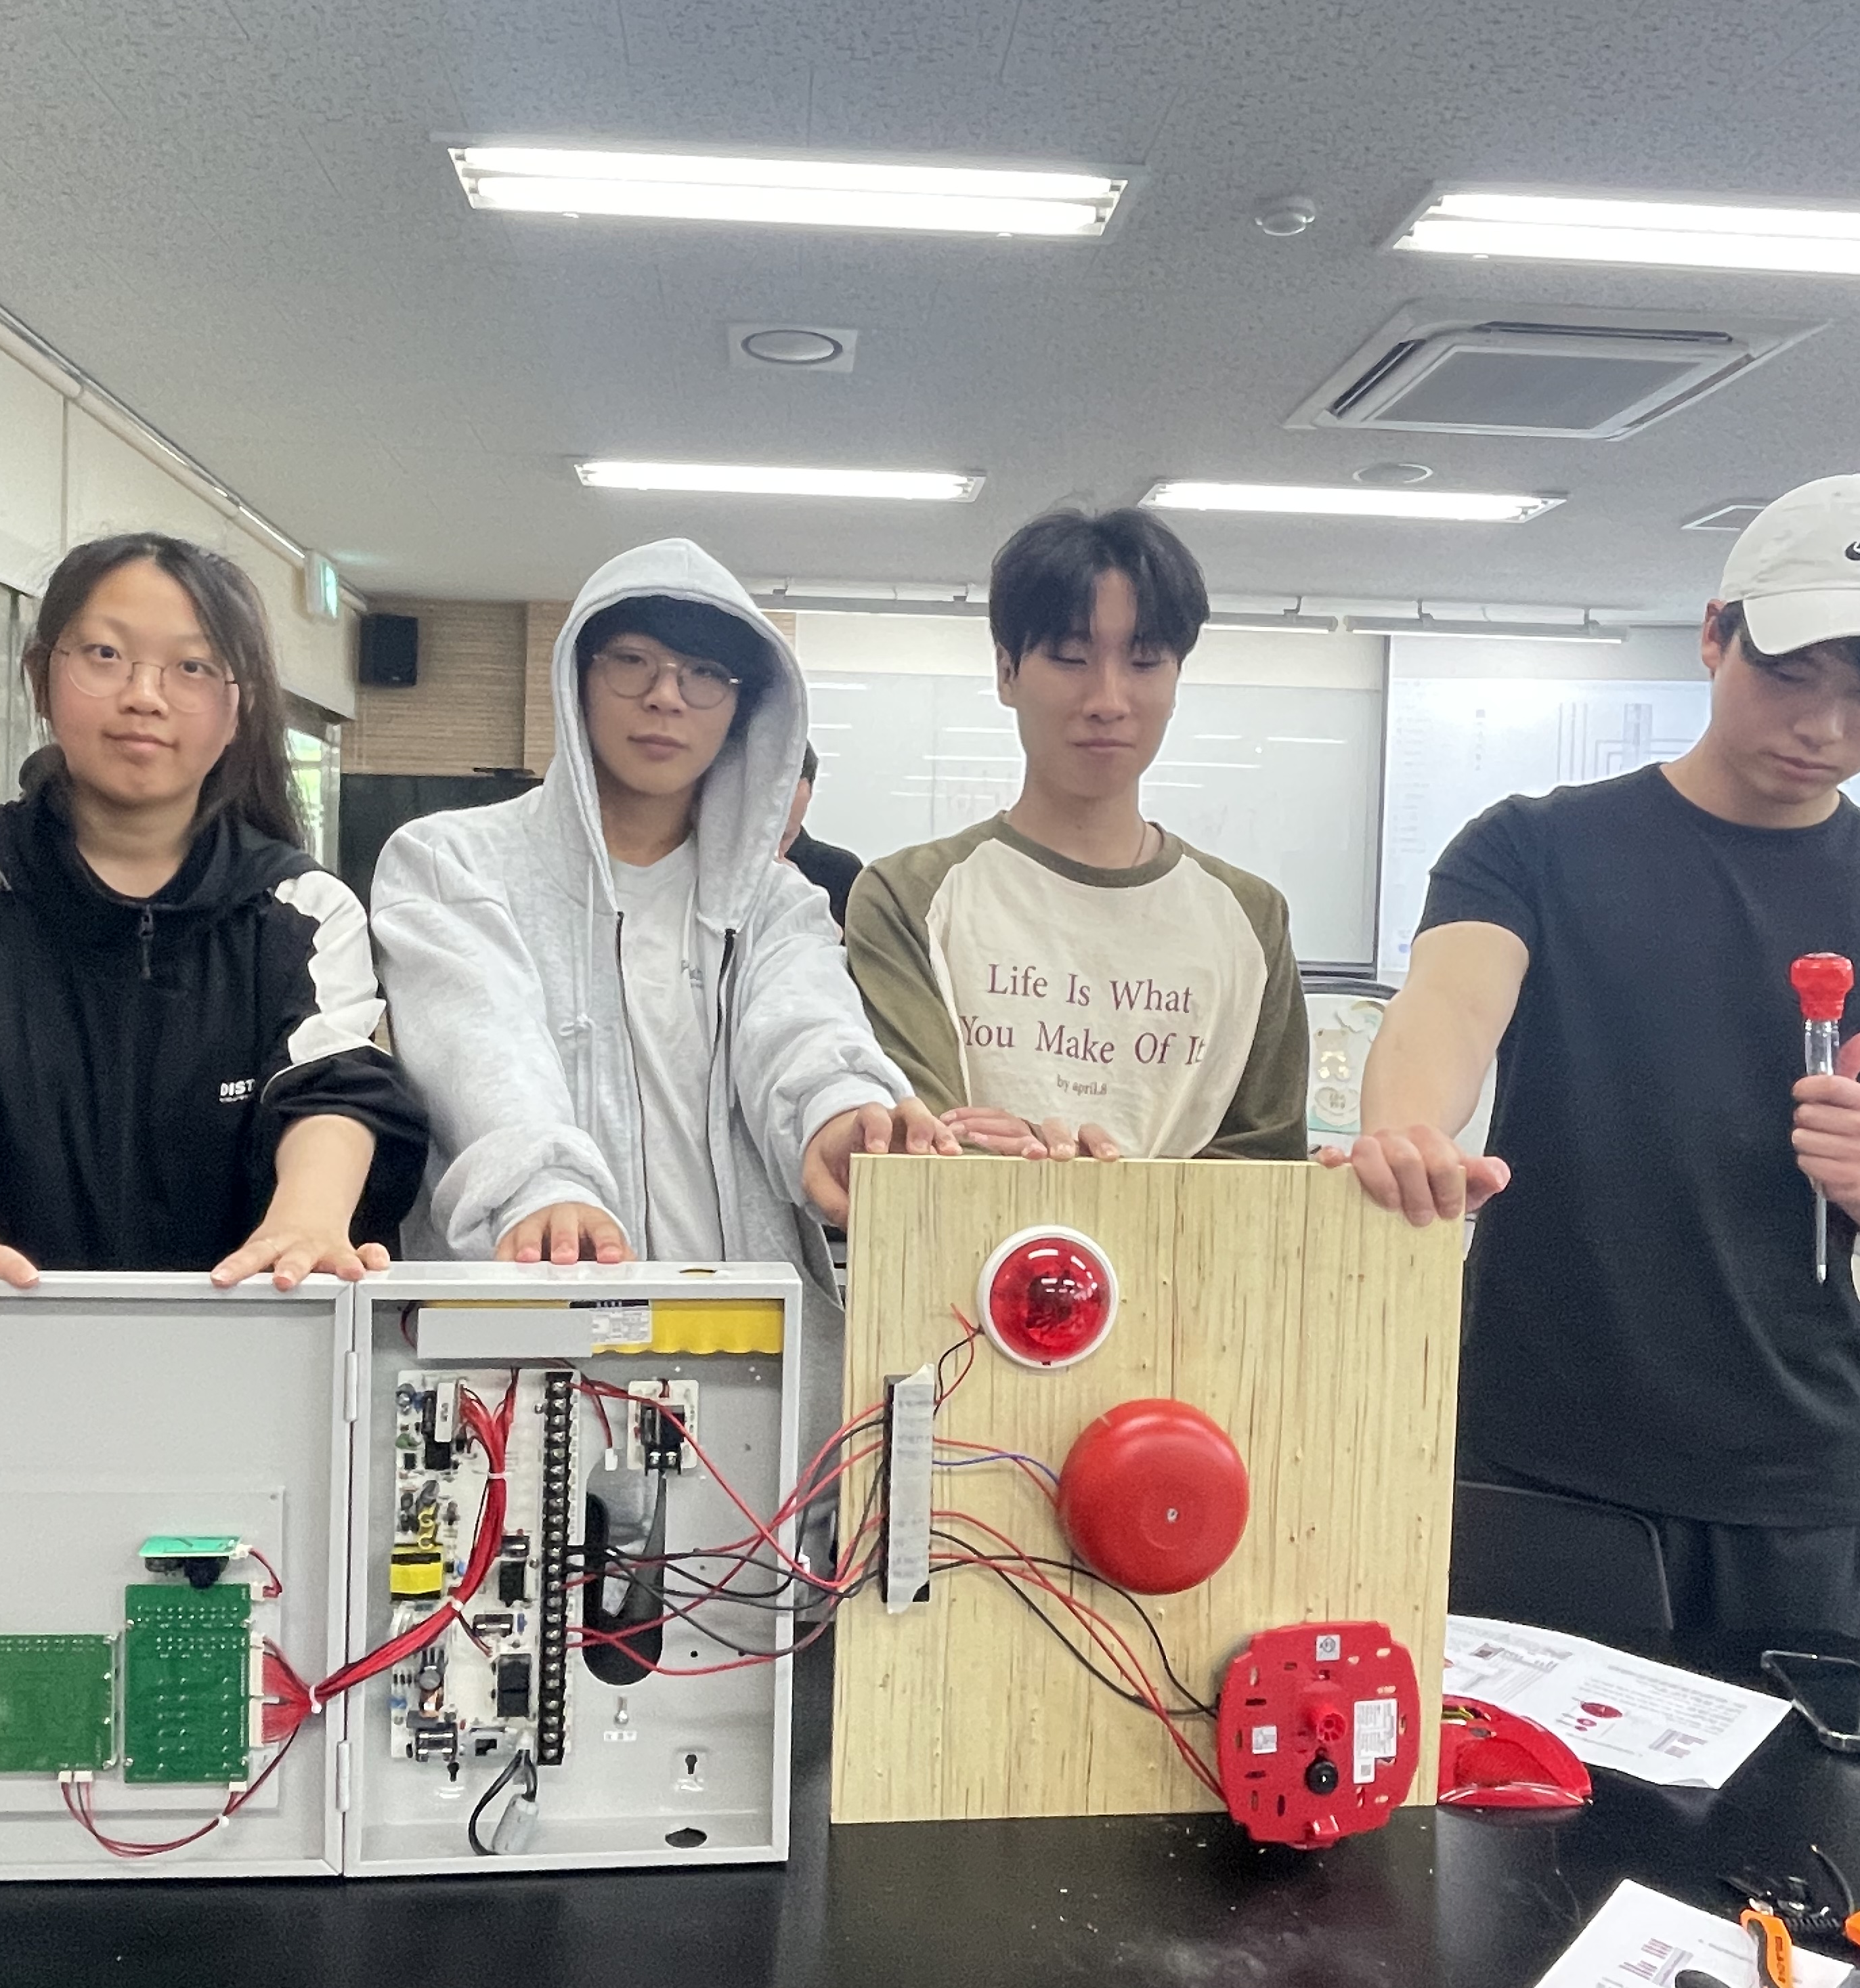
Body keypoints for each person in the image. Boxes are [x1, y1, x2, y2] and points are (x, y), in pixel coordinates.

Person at [1327, 475, 1860, 1642]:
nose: (1825, 727)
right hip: (1537, 1453)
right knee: (1509, 1765)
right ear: (1714, 634)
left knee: (1776, 1764)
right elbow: (1447, 1006)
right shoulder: (1534, 847)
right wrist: (1407, 1131)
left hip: (1788, 1481)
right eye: (1791, 673)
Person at [0, 532, 426, 1571]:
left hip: (232, 1399)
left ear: (238, 706)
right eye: (105, 654)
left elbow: (333, 1087)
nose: (144, 695)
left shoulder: (302, 909)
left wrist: (309, 1222)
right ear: (43, 676)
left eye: (191, 666)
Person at [367, 538, 950, 1444]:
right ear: (579, 678)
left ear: (745, 707)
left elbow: (804, 1025)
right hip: (532, 1365)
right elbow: (481, 1047)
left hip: (754, 1381)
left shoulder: (775, 899)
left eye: (704, 673)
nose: (666, 696)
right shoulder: (452, 863)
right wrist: (543, 1187)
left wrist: (842, 1112)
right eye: (633, 660)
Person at [844, 506, 1307, 1163]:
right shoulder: (906, 897)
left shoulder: (1251, 919)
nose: (1108, 700)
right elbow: (925, 1152)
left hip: (1181, 1243)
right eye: (1070, 658)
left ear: (1177, 679)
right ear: (1007, 672)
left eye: (1144, 661)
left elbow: (1267, 1177)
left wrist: (1074, 1172)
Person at [782, 741, 864, 928]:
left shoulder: (841, 869)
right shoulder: (724, 866)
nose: (777, 797)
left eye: (789, 784)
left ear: (809, 789)